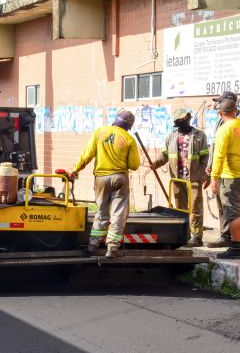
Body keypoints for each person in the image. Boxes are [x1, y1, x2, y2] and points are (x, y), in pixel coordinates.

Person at [69, 109, 140, 257]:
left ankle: (93, 244)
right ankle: (112, 248)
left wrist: (75, 170)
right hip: (120, 178)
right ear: (129, 125)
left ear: (116, 120)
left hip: (101, 178)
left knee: (101, 211)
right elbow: (134, 165)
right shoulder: (129, 139)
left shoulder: (100, 132)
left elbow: (87, 155)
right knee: (118, 213)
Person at [149, 108, 209, 247]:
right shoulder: (171, 137)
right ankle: (184, 233)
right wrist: (155, 164)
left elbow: (205, 157)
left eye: (185, 120)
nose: (183, 123)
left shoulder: (199, 135)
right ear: (177, 124)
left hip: (193, 178)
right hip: (177, 179)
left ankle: (197, 236)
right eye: (180, 122)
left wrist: (204, 175)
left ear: (188, 118)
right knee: (180, 208)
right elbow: (165, 156)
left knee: (195, 207)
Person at [205, 91, 240, 248]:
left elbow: (219, 154)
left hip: (231, 175)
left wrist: (214, 177)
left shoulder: (233, 125)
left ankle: (236, 247)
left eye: (220, 103)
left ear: (222, 111)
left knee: (234, 213)